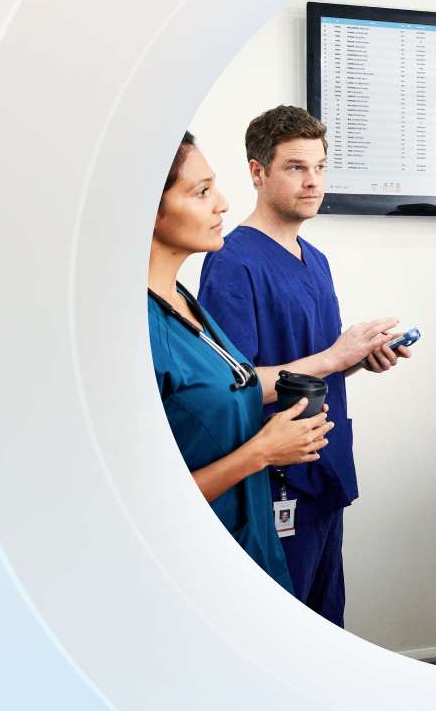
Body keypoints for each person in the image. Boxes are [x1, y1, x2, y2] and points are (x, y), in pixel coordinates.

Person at [198, 105, 412, 627]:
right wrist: (336, 355)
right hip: (276, 480)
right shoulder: (231, 260)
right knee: (279, 629)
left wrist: (361, 359)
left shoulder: (315, 259)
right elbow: (234, 387)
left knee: (326, 627)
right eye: (295, 167)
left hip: (325, 469)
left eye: (319, 167)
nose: (312, 181)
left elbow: (311, 369)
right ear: (257, 172)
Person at [148, 131, 335, 591]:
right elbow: (143, 502)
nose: (222, 204)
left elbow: (238, 383)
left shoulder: (186, 306)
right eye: (201, 191)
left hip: (250, 542)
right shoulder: (134, 327)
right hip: (195, 563)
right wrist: (263, 451)